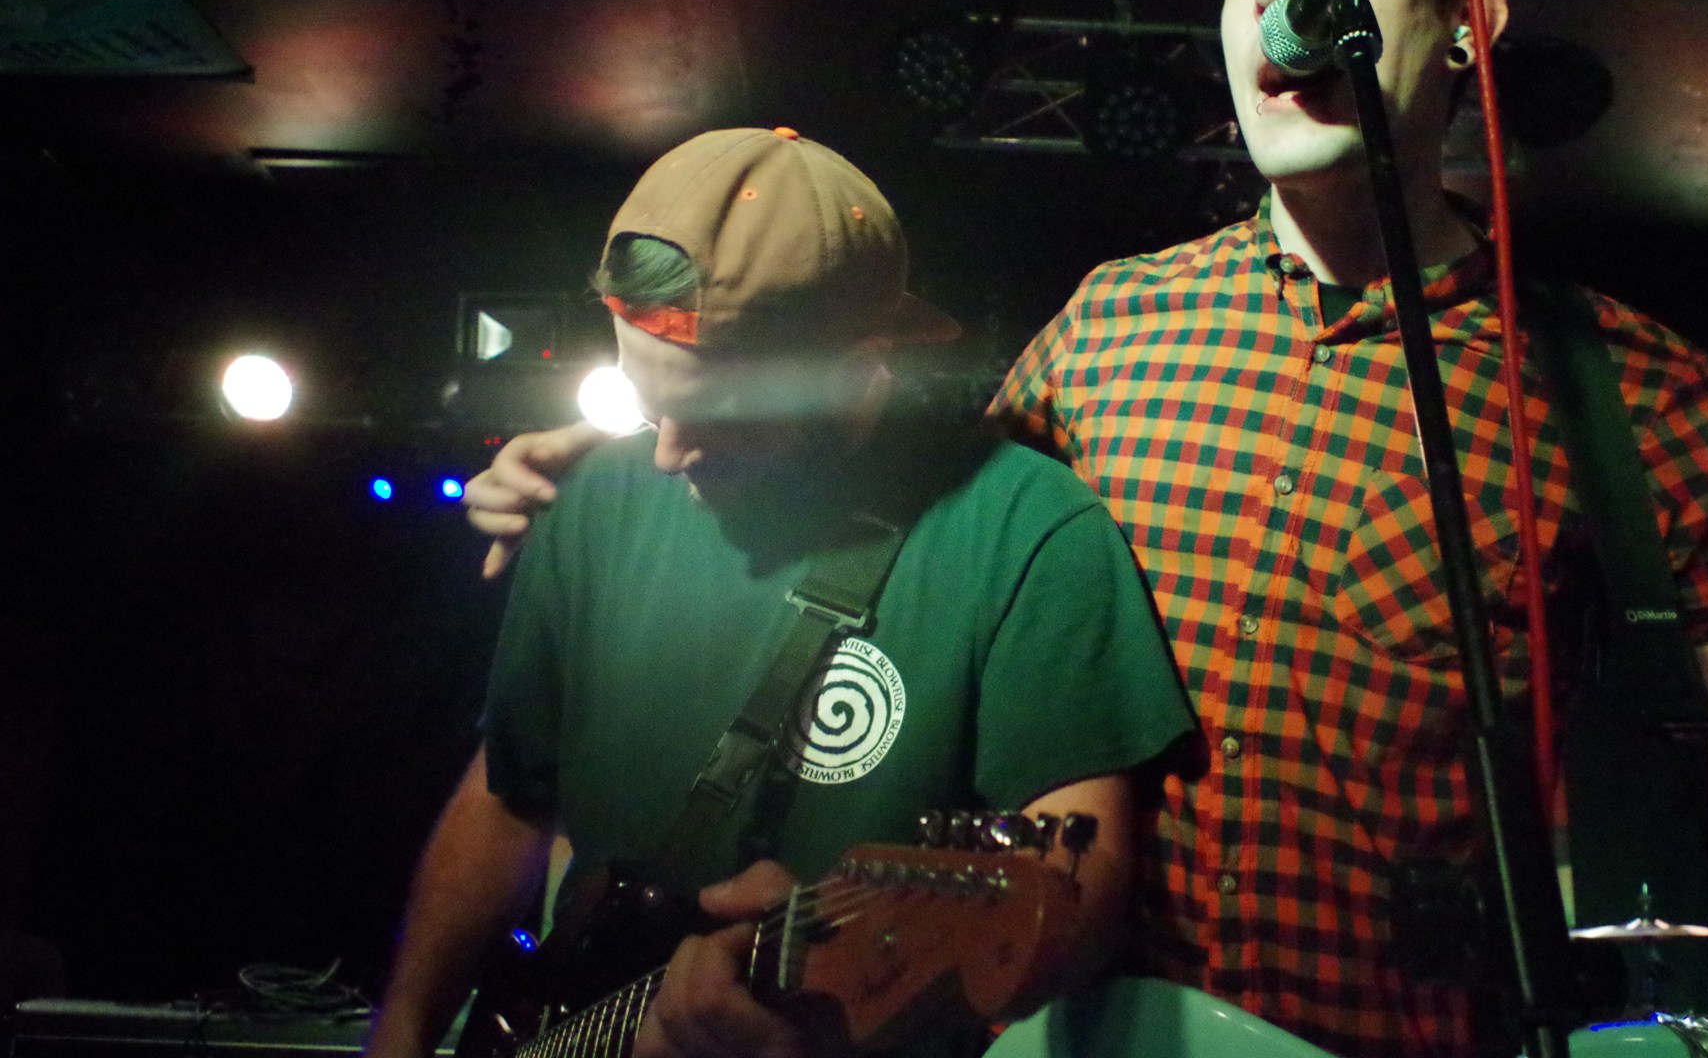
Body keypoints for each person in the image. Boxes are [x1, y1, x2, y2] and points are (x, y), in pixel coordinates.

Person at [458, 0, 1708, 1057]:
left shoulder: (1619, 388)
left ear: (1470, 18)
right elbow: (879, 544)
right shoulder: (1105, 329)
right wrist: (635, 475)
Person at [365, 127, 1197, 1058]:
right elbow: (509, 798)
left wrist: (839, 992)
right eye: (649, 404)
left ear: (858, 362)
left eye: (720, 412)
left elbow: (1075, 879)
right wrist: (403, 1029)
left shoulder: (1024, 528)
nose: (668, 454)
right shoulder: (595, 494)